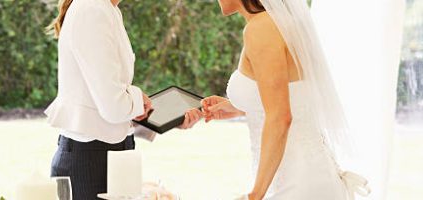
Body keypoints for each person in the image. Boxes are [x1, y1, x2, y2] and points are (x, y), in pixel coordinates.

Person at [201, 0, 370, 199]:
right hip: (306, 172)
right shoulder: (284, 23)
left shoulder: (260, 29)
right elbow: (294, 95)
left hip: (293, 183)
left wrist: (255, 195)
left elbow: (281, 118)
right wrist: (237, 107)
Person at [44, 0, 202, 199]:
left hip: (107, 157)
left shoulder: (108, 9)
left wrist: (161, 118)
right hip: (90, 163)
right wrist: (137, 98)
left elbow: (102, 104)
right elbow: (113, 107)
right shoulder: (92, 9)